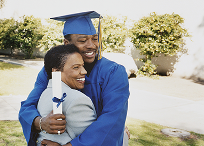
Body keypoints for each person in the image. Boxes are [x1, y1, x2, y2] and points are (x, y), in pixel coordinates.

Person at [19, 11, 130, 146]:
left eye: (95, 39)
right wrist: (41, 123)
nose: (91, 45)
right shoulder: (54, 70)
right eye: (83, 41)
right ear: (67, 43)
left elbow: (112, 118)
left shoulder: (113, 72)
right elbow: (28, 105)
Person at [36, 44, 96, 145]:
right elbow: (97, 139)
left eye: (83, 66)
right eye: (76, 67)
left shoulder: (45, 94)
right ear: (56, 71)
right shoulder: (77, 100)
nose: (84, 71)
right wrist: (119, 131)